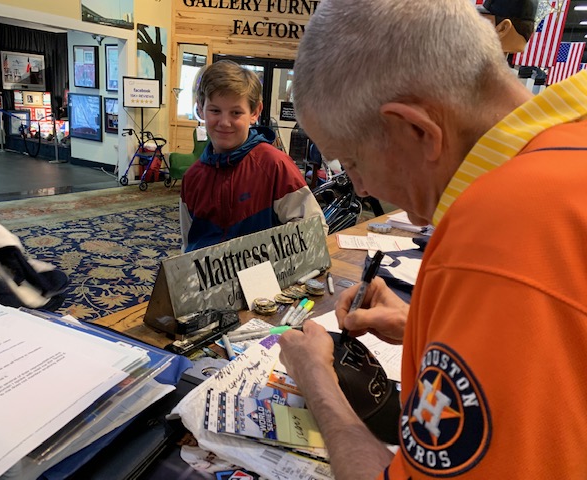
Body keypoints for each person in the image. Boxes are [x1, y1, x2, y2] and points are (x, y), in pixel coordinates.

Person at [278, 0, 587, 478]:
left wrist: (316, 378)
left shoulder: (498, 234)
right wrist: (422, 321)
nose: (359, 189)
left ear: (417, 130)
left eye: (353, 163)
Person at [179, 60, 327, 252]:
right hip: (205, 280)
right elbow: (188, 242)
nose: (224, 122)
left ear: (255, 112)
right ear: (200, 109)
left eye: (236, 112)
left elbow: (314, 229)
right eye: (215, 110)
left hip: (263, 277)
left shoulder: (275, 165)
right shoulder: (192, 178)